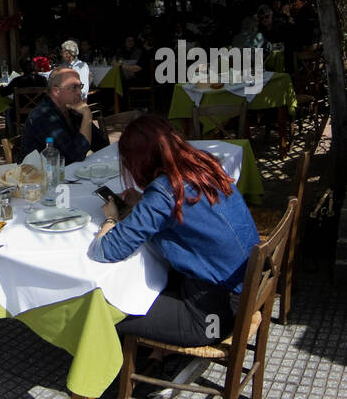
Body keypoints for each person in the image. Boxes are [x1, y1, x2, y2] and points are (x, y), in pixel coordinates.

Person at [90, 116, 259, 346]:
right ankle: (156, 354)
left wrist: (111, 218)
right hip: (243, 290)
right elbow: (182, 209)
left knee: (107, 312)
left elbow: (105, 250)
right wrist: (142, 202)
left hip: (213, 319)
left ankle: (122, 372)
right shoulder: (203, 164)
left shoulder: (162, 193)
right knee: (145, 281)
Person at [20, 67, 108, 162]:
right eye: (74, 88)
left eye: (80, 86)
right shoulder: (42, 116)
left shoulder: (72, 108)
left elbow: (101, 145)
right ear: (56, 91)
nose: (80, 92)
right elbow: (76, 155)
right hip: (39, 174)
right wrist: (87, 116)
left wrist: (85, 117)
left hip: (64, 171)